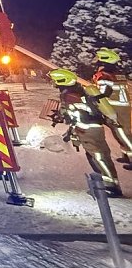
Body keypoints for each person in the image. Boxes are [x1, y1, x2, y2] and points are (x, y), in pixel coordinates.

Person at [49, 68, 123, 197]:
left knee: (99, 157)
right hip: (94, 129)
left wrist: (64, 116)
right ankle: (107, 183)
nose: (54, 84)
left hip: (87, 130)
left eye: (55, 81)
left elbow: (76, 112)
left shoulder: (70, 95)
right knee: (99, 156)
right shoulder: (79, 91)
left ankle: (110, 186)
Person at [91, 47, 132, 164]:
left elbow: (105, 92)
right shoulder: (116, 73)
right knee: (120, 133)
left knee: (123, 134)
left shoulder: (105, 75)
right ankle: (126, 155)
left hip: (117, 108)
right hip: (122, 107)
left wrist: (93, 97)